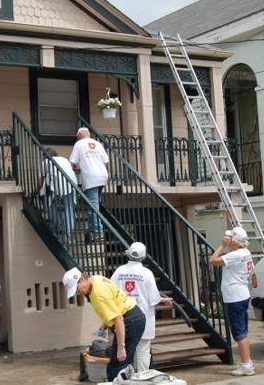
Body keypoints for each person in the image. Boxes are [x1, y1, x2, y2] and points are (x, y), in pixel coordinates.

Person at [63, 267, 145, 381]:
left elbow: (119, 318)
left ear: (81, 279)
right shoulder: (96, 279)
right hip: (133, 316)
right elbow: (113, 304)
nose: (78, 293)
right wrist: (105, 322)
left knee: (116, 368)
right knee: (124, 365)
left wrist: (121, 347)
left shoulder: (98, 294)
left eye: (77, 289)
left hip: (130, 322)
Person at [110, 242, 174, 372]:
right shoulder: (147, 273)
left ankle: (127, 379)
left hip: (125, 318)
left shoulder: (119, 271)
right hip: (144, 317)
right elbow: (154, 298)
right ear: (144, 257)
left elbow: (111, 291)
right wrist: (164, 300)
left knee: (126, 352)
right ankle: (143, 379)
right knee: (143, 351)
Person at [209, 226, 255, 376]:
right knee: (244, 330)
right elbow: (253, 273)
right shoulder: (246, 253)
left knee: (239, 332)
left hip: (234, 297)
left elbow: (213, 260)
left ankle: (246, 365)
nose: (228, 240)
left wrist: (222, 245)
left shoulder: (235, 255)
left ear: (235, 241)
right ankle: (248, 361)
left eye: (230, 238)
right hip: (243, 294)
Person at [68, 128, 109, 241]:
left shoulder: (79, 144)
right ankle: (94, 229)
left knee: (93, 206)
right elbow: (106, 162)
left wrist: (77, 169)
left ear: (79, 135)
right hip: (102, 175)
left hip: (91, 178)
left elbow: (72, 162)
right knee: (95, 203)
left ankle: (97, 231)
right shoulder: (98, 144)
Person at [36, 148, 77, 240]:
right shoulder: (65, 160)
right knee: (69, 208)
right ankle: (69, 234)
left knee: (48, 203)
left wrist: (38, 192)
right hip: (71, 183)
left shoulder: (46, 161)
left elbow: (40, 180)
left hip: (57, 184)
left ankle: (57, 222)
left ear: (45, 156)